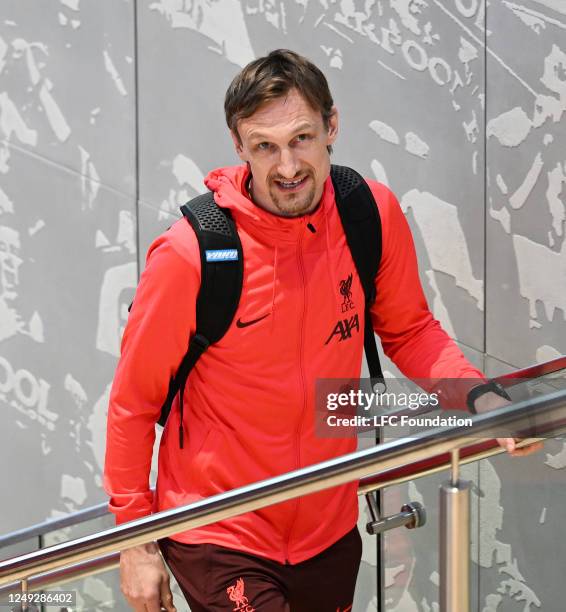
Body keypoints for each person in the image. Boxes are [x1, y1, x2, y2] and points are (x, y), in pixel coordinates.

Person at [103, 49, 541, 612]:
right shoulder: (193, 253)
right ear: (239, 147)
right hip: (218, 528)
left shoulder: (369, 213)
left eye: (302, 138)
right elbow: (132, 402)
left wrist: (477, 396)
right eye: (265, 146)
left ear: (332, 126)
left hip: (328, 524)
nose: (286, 166)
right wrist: (134, 542)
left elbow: (409, 331)